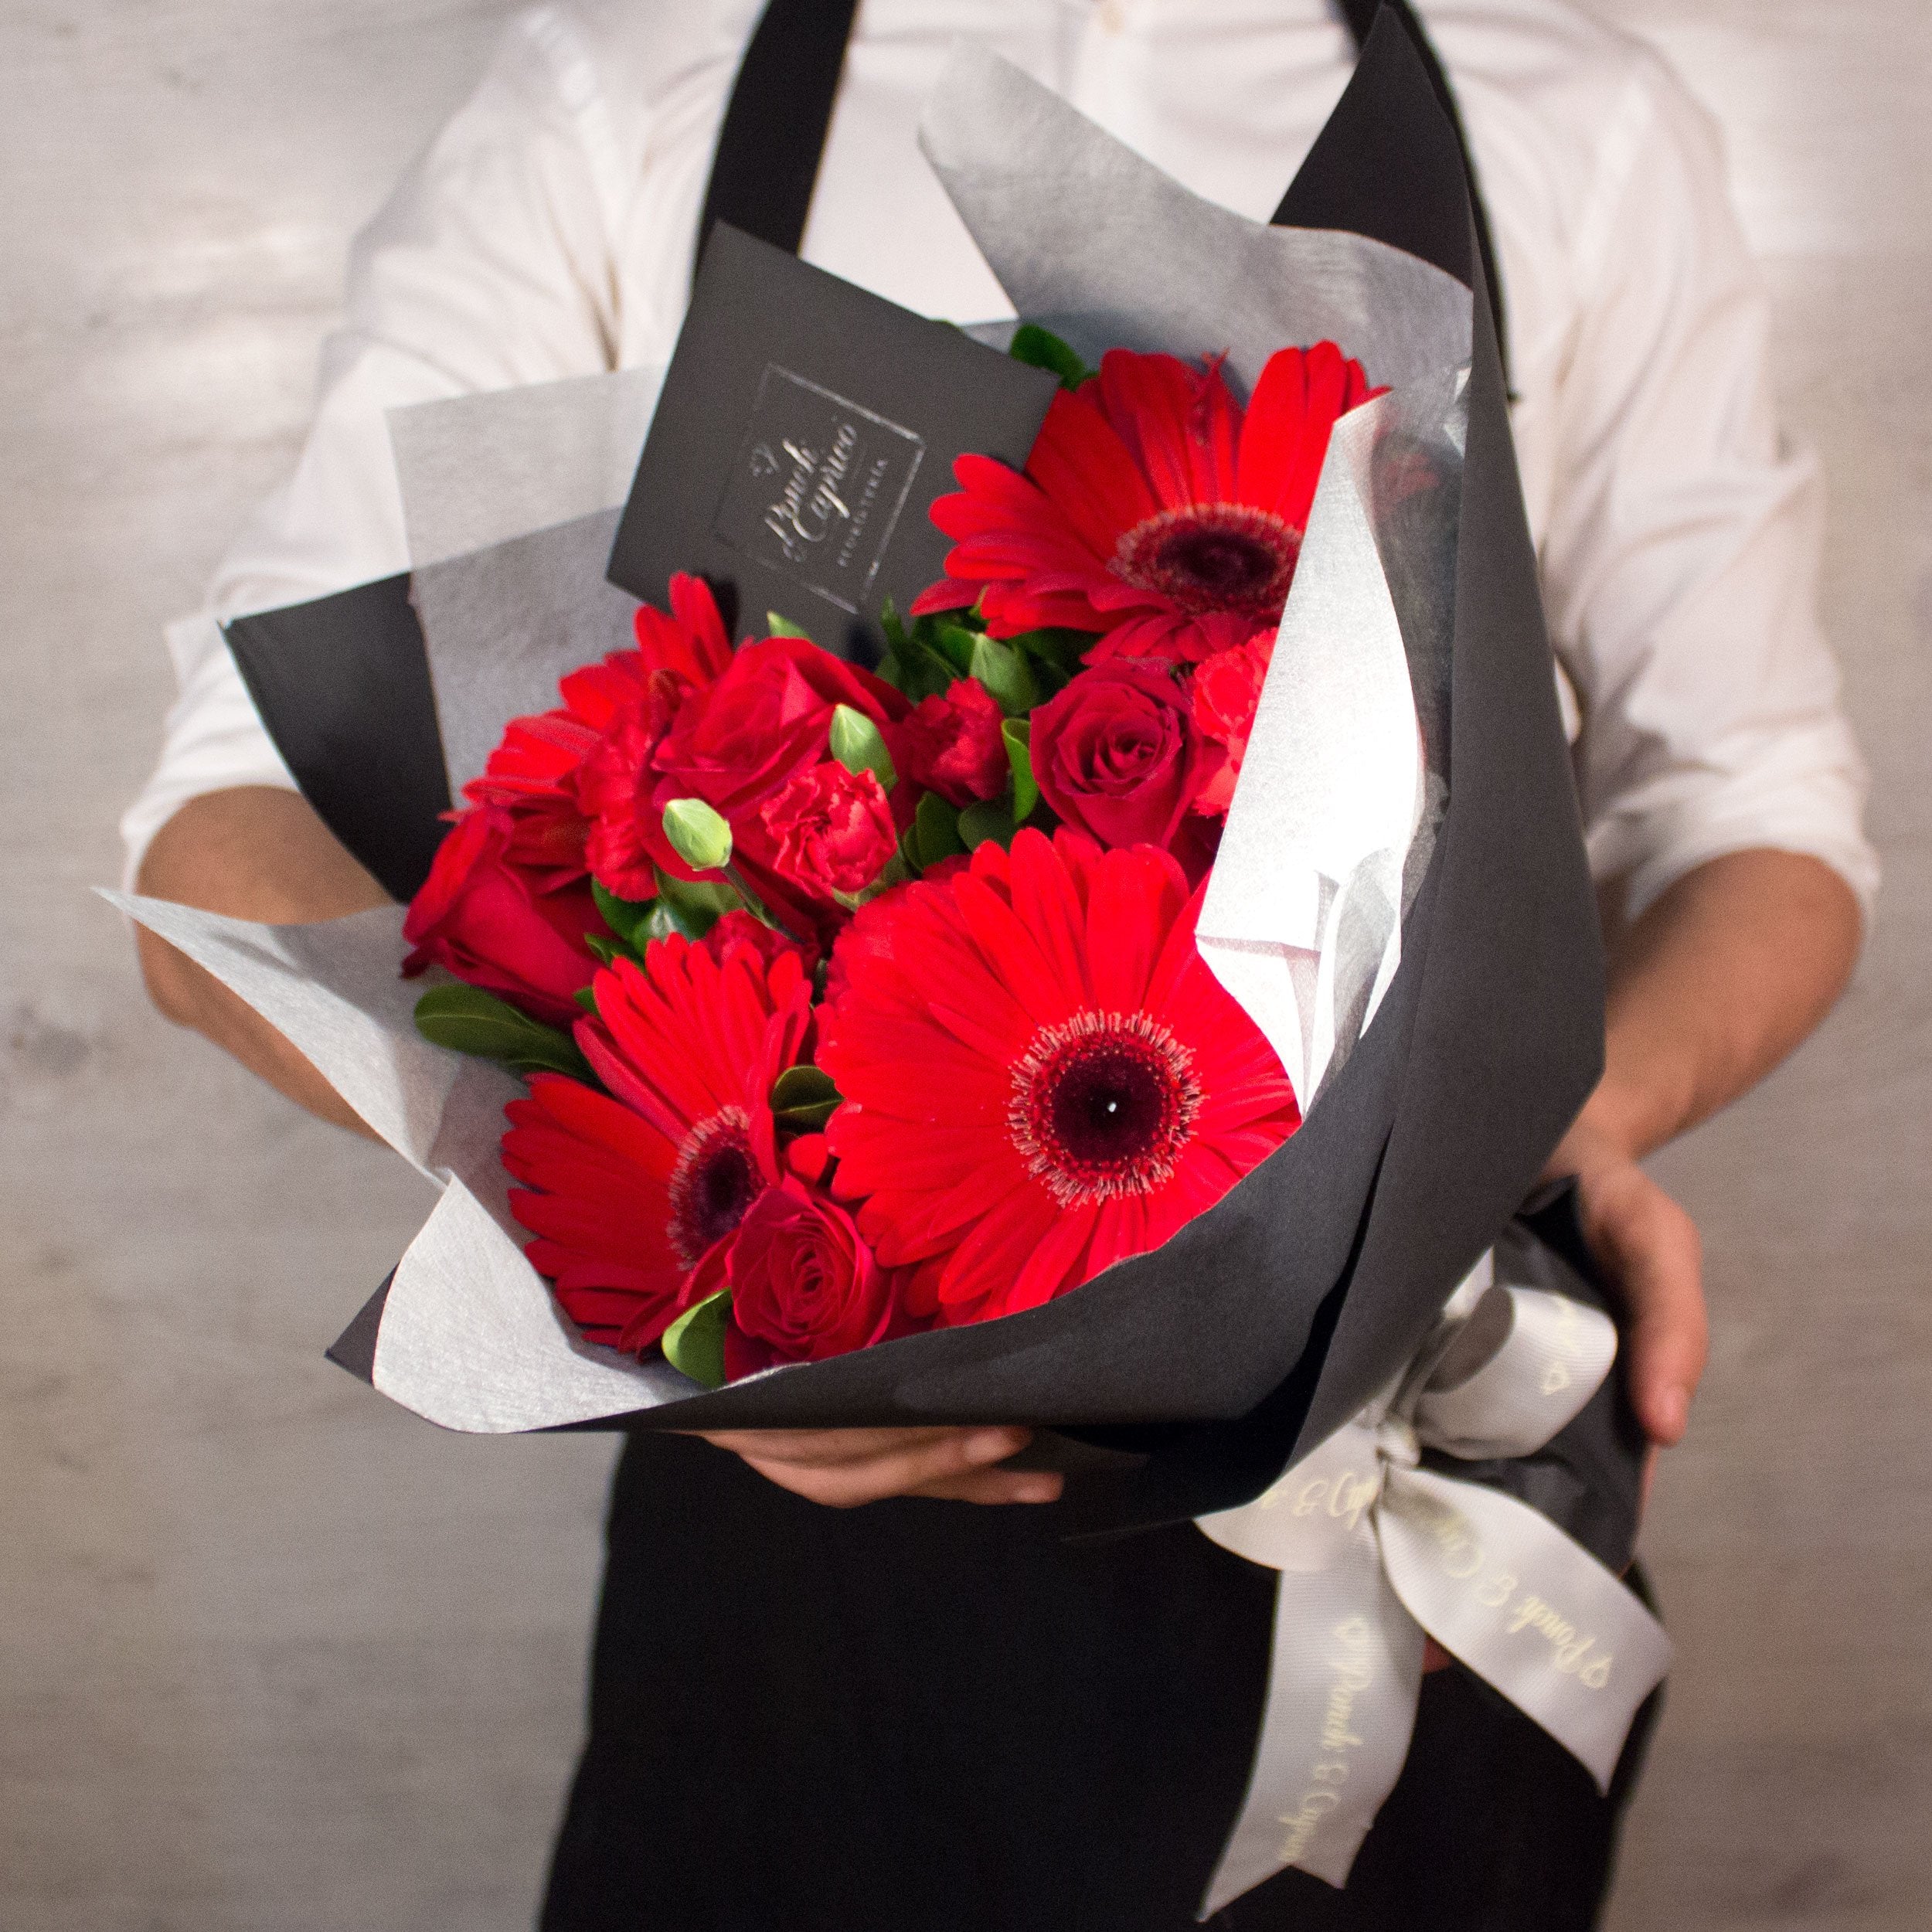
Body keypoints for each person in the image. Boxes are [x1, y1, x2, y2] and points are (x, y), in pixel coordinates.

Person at [123, 2, 1875, 1925]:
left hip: (1403, 1449)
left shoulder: (1576, 119)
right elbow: (217, 835)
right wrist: (642, 1228)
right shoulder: (627, 90)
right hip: (816, 1504)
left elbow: (1755, 825)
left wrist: (1522, 1119)